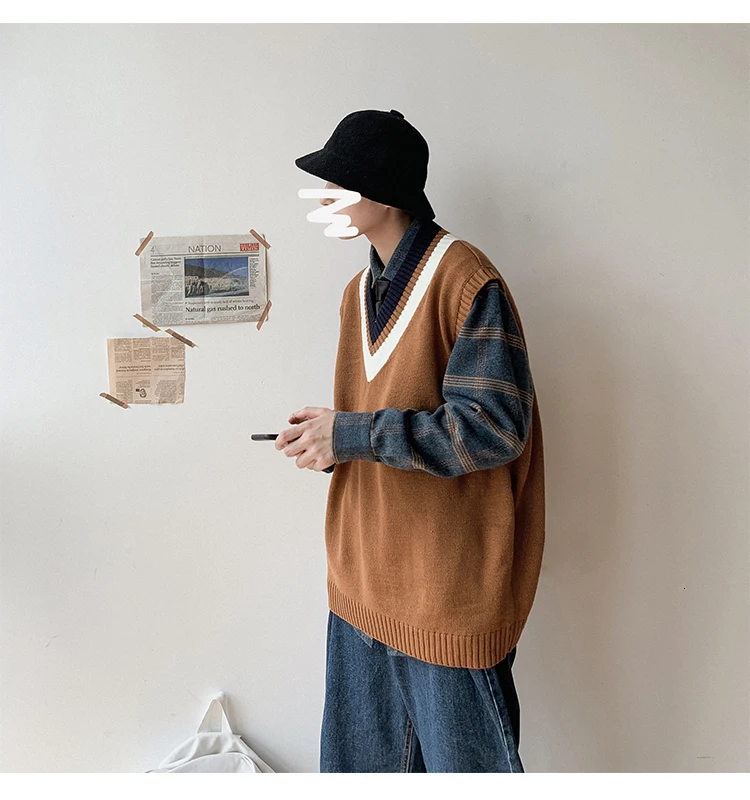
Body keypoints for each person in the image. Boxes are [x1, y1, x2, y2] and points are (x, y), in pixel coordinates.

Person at [275, 108, 546, 772]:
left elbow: (491, 428)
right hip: (361, 581)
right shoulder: (357, 293)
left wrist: (353, 434)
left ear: (383, 189)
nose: (325, 198)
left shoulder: (465, 279)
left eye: (337, 184)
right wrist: (328, 441)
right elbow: (377, 424)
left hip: (446, 592)